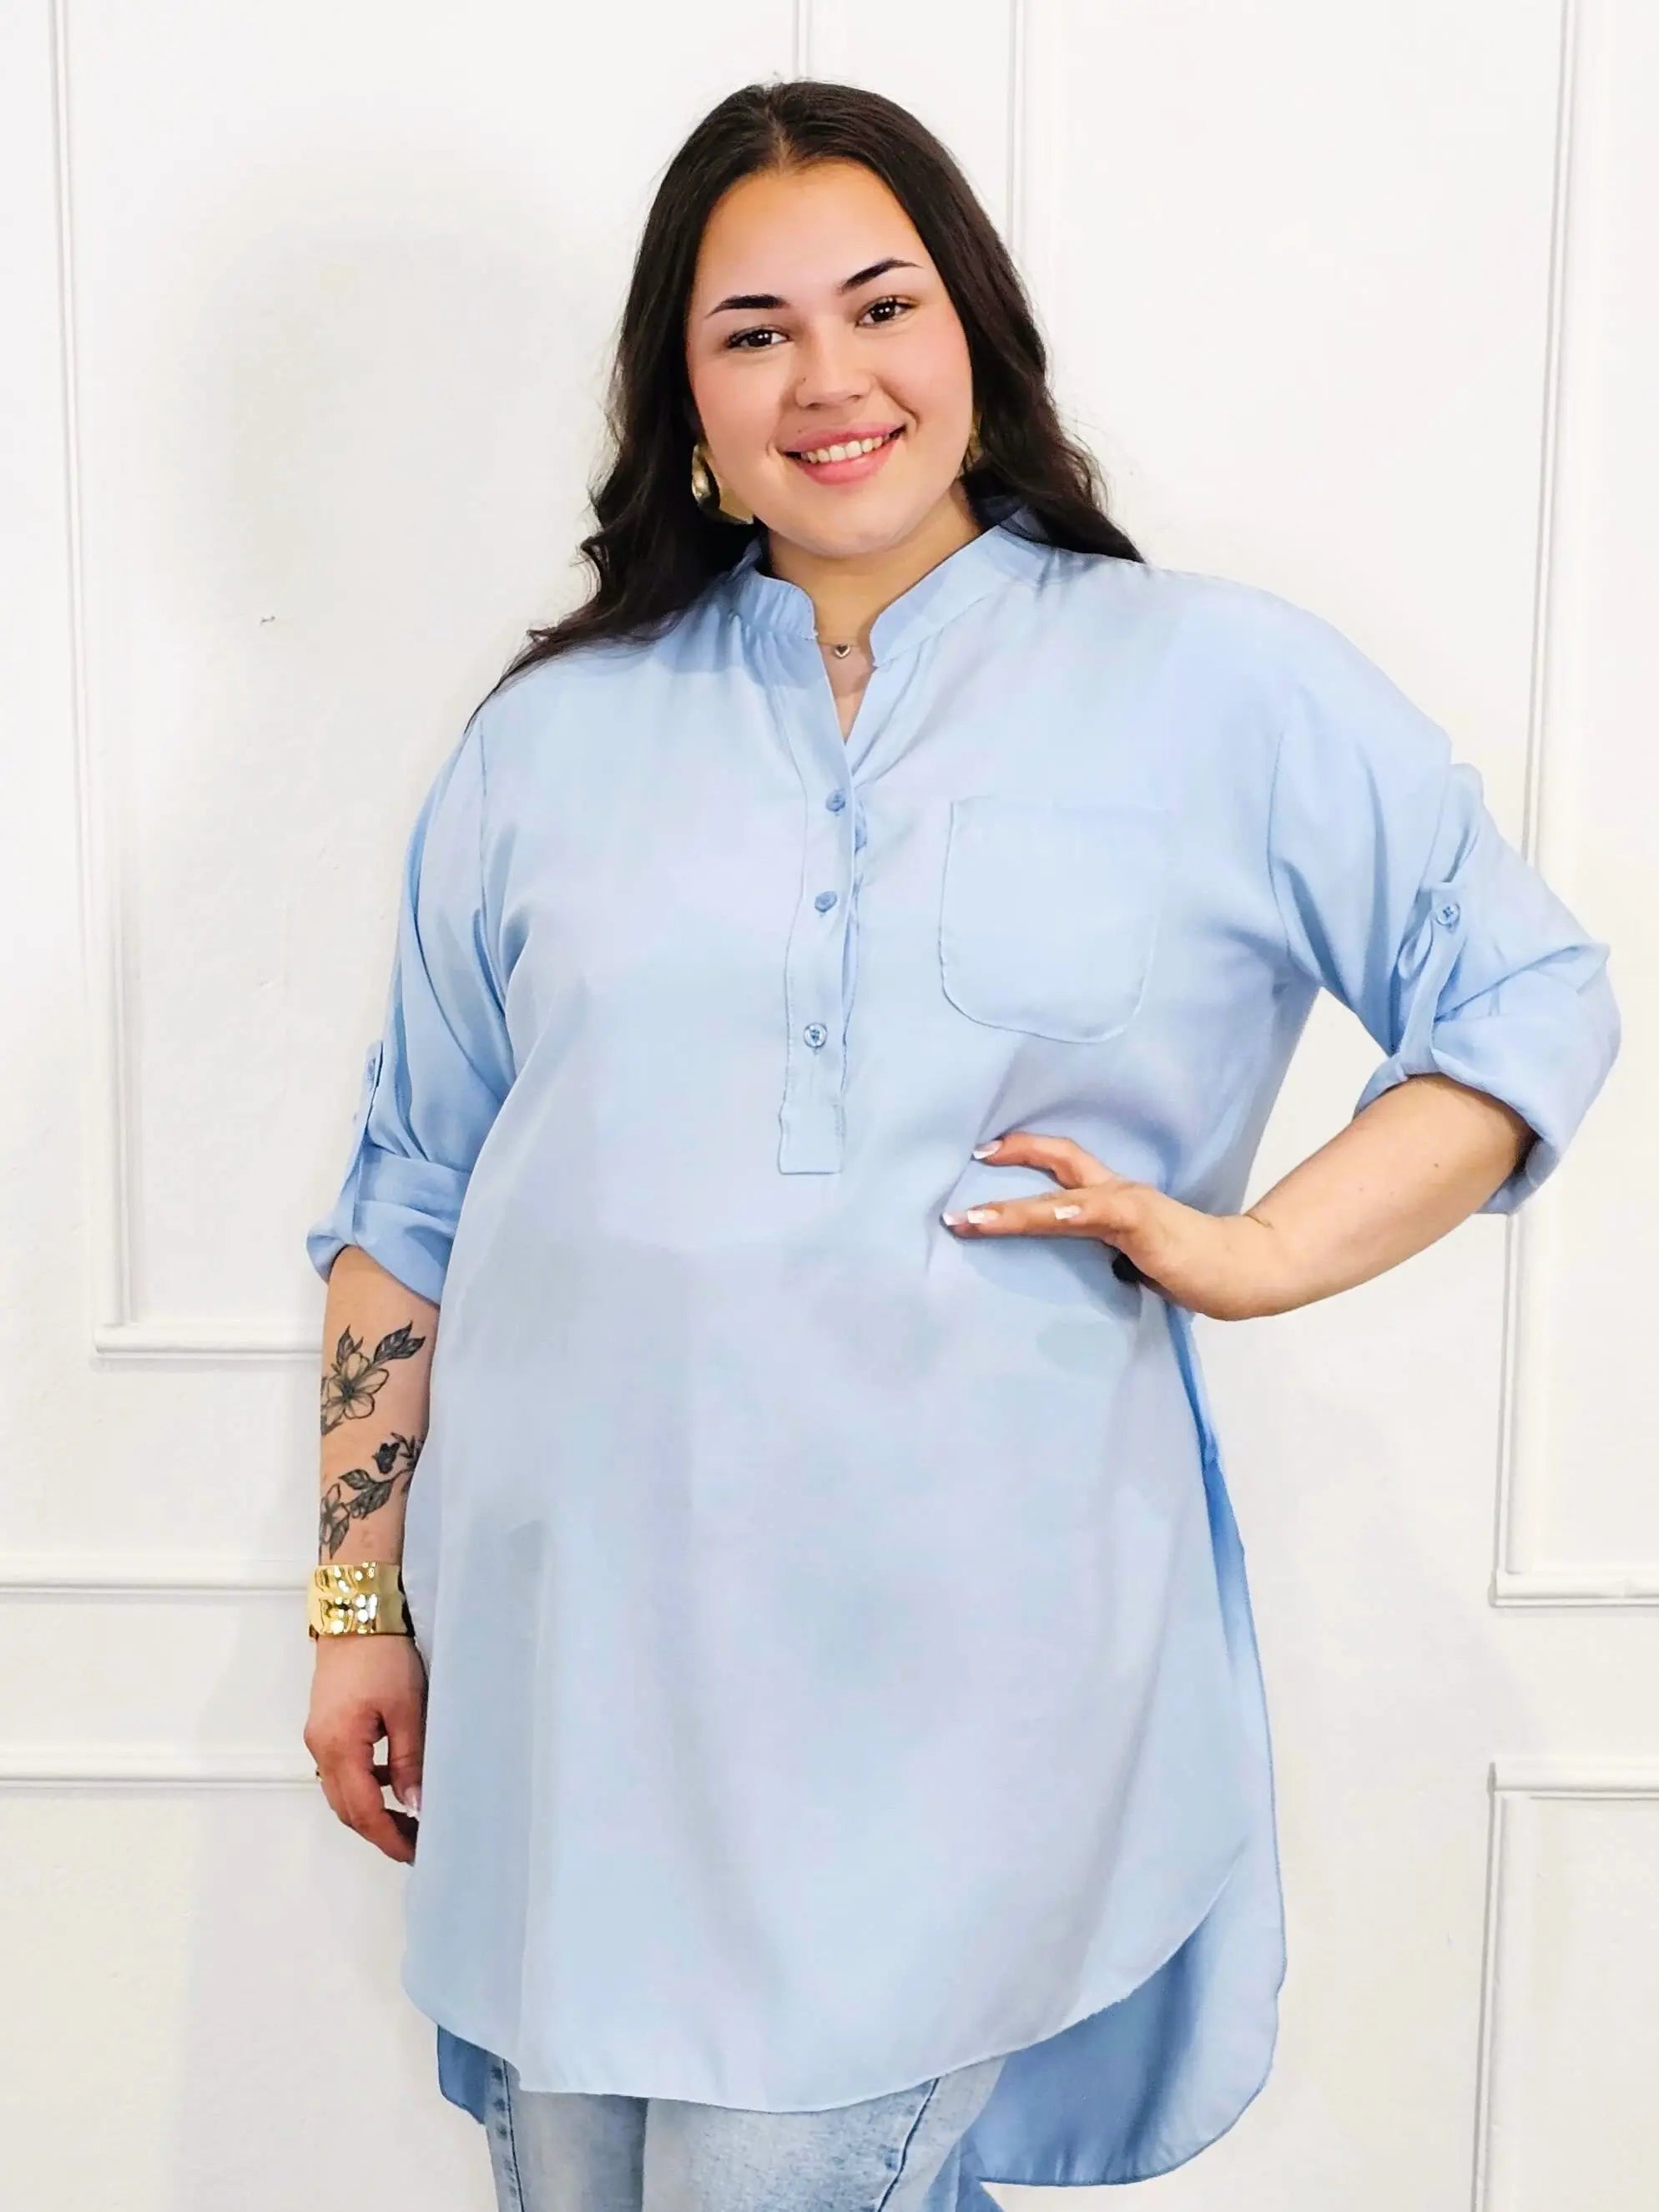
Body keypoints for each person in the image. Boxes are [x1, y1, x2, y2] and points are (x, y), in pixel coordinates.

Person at [300, 75, 1621, 2212]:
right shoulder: (546, 741)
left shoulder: (1211, 684)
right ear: (682, 395)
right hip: (569, 1696)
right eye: (754, 331)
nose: (829, 378)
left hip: (939, 1696)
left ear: (975, 334)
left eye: (881, 305)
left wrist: (1264, 1246)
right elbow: (411, 1199)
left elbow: (1525, 993)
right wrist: (359, 1600)